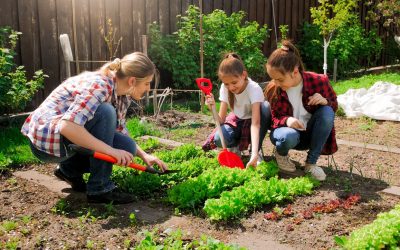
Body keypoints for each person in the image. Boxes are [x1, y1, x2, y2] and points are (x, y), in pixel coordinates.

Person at [21, 52, 167, 204]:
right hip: (47, 142)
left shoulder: (122, 94)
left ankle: (68, 170)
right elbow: (67, 126)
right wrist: (111, 151)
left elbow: (118, 130)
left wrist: (145, 155)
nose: (148, 89)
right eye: (147, 83)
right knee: (106, 112)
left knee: (127, 147)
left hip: (66, 140)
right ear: (132, 81)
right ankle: (100, 189)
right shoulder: (100, 86)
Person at [264, 40, 338, 181]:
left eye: (280, 79)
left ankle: (311, 164)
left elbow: (334, 105)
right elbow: (273, 119)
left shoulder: (318, 81)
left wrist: (325, 101)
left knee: (327, 111)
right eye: (273, 79)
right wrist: (287, 120)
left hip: (310, 135)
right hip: (288, 135)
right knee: (287, 136)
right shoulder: (274, 89)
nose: (276, 83)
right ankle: (282, 155)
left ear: (295, 71)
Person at [202, 53, 271, 168]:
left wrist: (254, 152)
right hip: (237, 120)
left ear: (243, 75)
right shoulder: (225, 88)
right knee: (219, 138)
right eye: (226, 84)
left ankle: (255, 152)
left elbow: (255, 124)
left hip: (254, 122)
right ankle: (234, 148)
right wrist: (212, 108)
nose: (231, 87)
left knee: (265, 107)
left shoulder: (253, 88)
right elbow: (220, 121)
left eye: (234, 82)